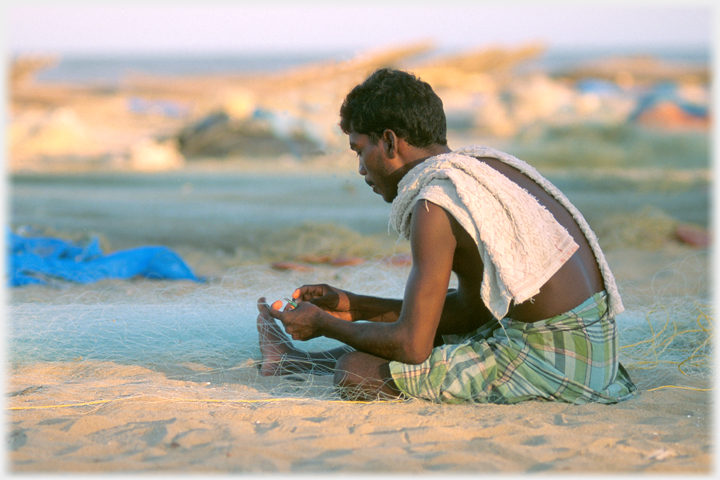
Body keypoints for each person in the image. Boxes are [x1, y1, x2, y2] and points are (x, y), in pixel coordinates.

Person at [256, 68, 636, 404]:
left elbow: (411, 345)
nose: (360, 169)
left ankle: (298, 361)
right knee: (440, 337)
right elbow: (470, 311)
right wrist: (354, 305)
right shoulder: (483, 169)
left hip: (559, 365)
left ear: (389, 142)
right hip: (596, 351)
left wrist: (325, 325)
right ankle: (293, 361)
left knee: (356, 372)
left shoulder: (434, 202)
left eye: (360, 150)